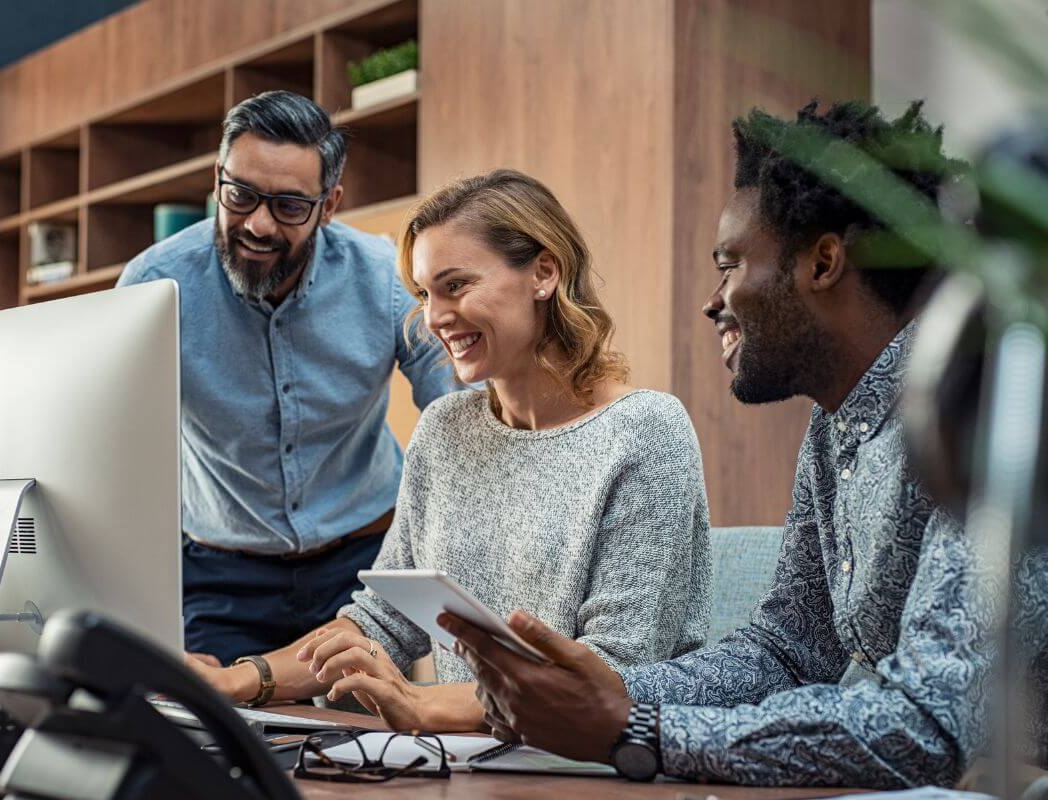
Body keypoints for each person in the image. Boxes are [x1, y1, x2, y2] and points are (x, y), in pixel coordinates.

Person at [446, 100, 1047, 787]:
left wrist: (634, 729)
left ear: (823, 262)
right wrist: (601, 694)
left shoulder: (989, 402)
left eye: (730, 264)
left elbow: (926, 722)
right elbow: (787, 652)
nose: (714, 299)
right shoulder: (835, 426)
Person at [185, 169, 712, 731]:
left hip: (598, 765)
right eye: (424, 294)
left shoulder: (647, 432)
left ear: (543, 272)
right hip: (470, 760)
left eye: (456, 286)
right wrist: (241, 680)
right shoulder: (443, 429)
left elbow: (613, 675)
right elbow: (380, 622)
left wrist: (422, 704)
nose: (434, 318)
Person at [116, 91, 458, 664]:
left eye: (289, 207)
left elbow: (459, 412)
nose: (257, 224)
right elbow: (112, 443)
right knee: (222, 740)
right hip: (221, 579)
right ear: (217, 176)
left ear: (329, 205)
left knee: (363, 745)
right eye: (241, 195)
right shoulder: (154, 286)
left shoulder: (383, 280)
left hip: (364, 570)